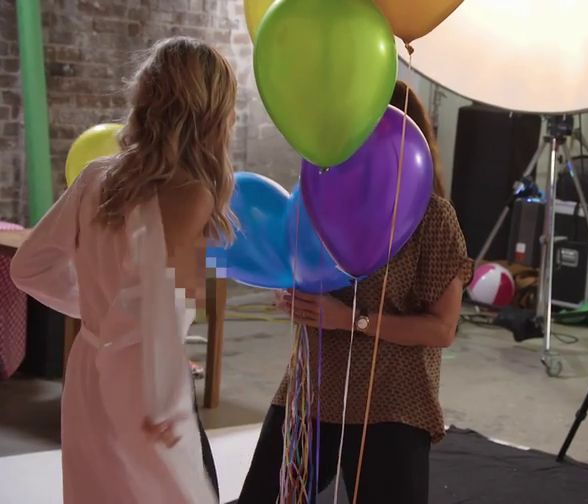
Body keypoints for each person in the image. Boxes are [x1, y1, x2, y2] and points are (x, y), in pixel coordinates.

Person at [11, 36, 237, 503]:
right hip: (146, 383)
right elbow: (159, 309)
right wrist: (164, 400)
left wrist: (95, 310)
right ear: (210, 113)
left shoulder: (95, 176)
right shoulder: (192, 193)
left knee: (96, 489)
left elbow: (28, 267)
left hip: (88, 371)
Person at [238, 80, 472, 504]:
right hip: (312, 389)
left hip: (392, 401)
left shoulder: (433, 218)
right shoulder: (319, 201)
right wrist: (293, 290)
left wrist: (351, 320)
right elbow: (302, 267)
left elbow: (442, 329)